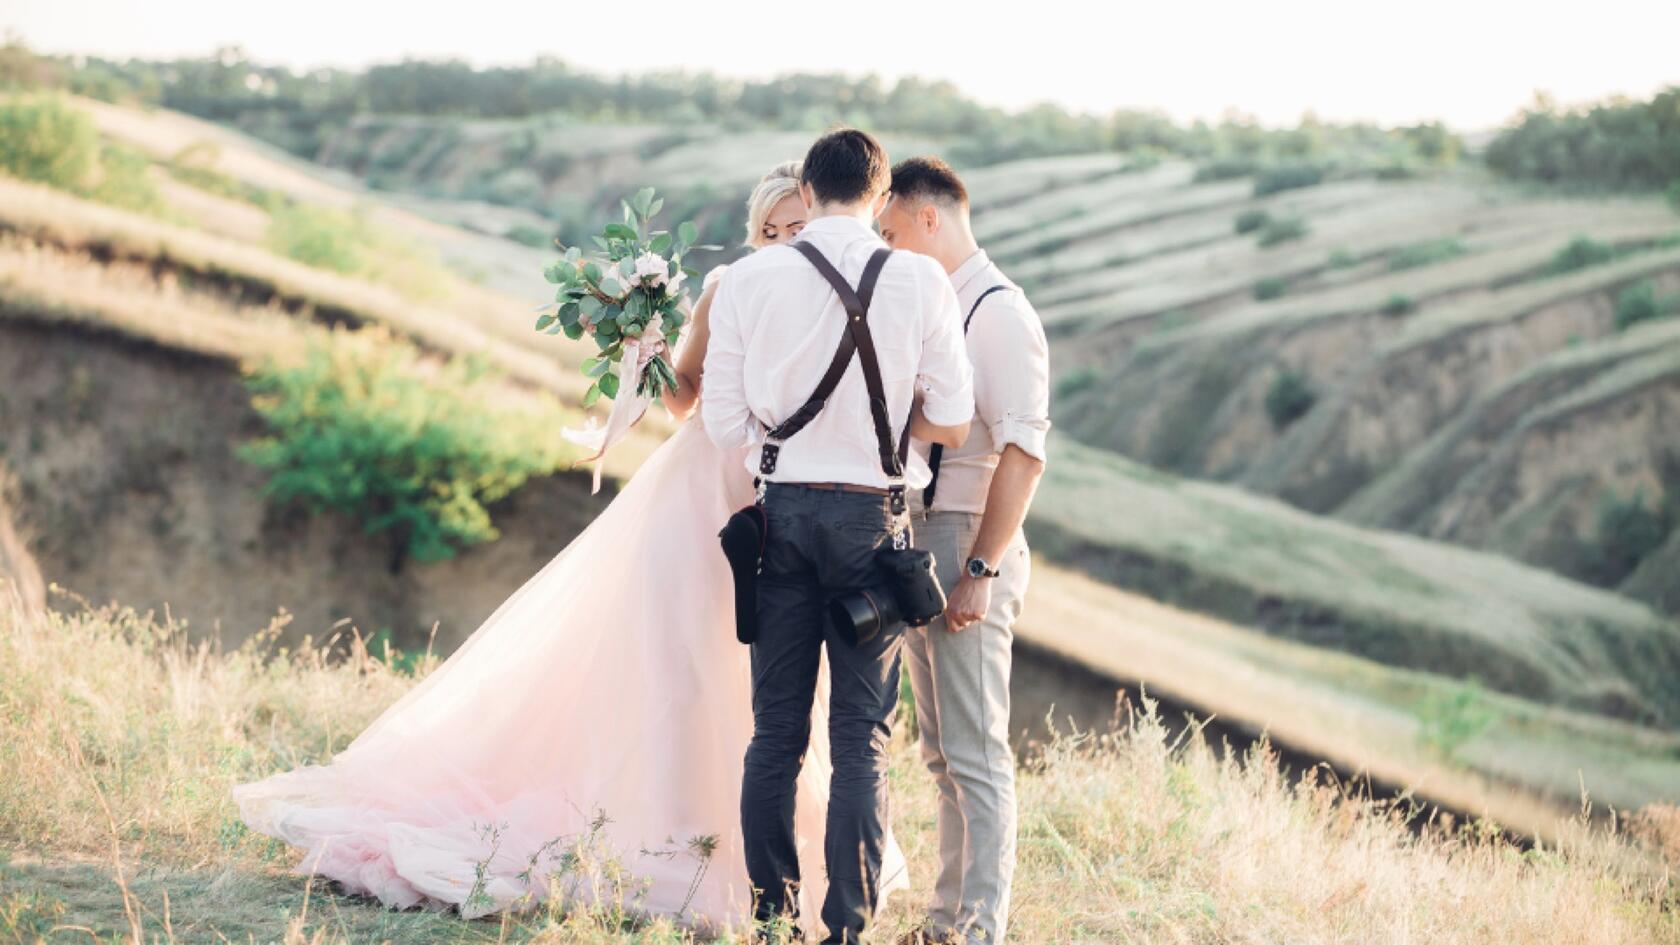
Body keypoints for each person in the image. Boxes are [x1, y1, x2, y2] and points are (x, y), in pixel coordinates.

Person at [232, 161, 908, 935]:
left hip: (790, 495)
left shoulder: (833, 293)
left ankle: (780, 849)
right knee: (685, 658)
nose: (787, 240)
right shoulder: (735, 286)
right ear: (758, 232)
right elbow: (687, 398)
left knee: (782, 687)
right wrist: (643, 347)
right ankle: (669, 833)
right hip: (706, 493)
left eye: (799, 226)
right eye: (773, 230)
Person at [702, 128, 974, 945]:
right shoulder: (921, 280)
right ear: (880, 196)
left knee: (775, 731)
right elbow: (954, 421)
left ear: (809, 193)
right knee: (861, 739)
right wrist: (883, 432)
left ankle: (772, 922)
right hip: (874, 527)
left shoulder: (751, 278)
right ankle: (847, 930)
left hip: (780, 516)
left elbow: (723, 422)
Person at [876, 157, 1051, 945]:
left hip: (968, 538)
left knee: (977, 753)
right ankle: (944, 922)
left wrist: (979, 568)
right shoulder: (940, 306)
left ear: (928, 219)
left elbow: (1024, 453)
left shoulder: (1001, 312)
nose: (884, 245)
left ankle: (979, 930)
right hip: (923, 536)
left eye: (889, 230)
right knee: (941, 752)